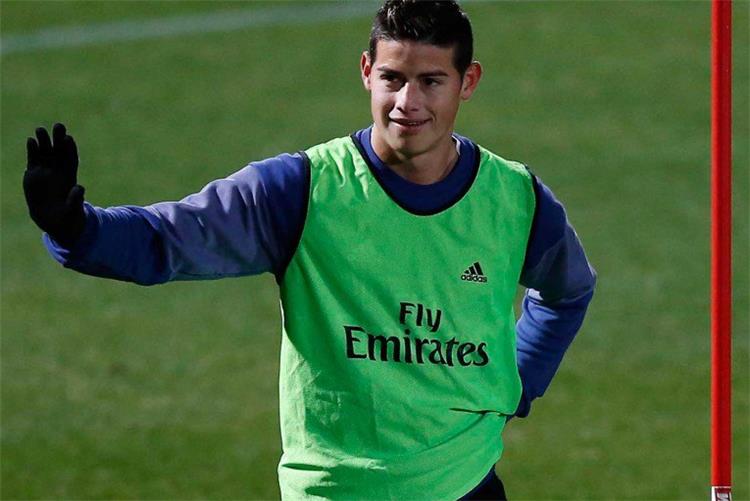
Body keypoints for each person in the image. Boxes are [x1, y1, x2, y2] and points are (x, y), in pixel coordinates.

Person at [23, 1, 596, 499]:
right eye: (393, 78)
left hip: (465, 487)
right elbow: (167, 239)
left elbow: (568, 291)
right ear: (367, 72)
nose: (407, 101)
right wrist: (75, 226)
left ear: (467, 82)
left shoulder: (514, 199)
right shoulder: (302, 191)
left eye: (430, 81)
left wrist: (516, 380)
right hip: (334, 493)